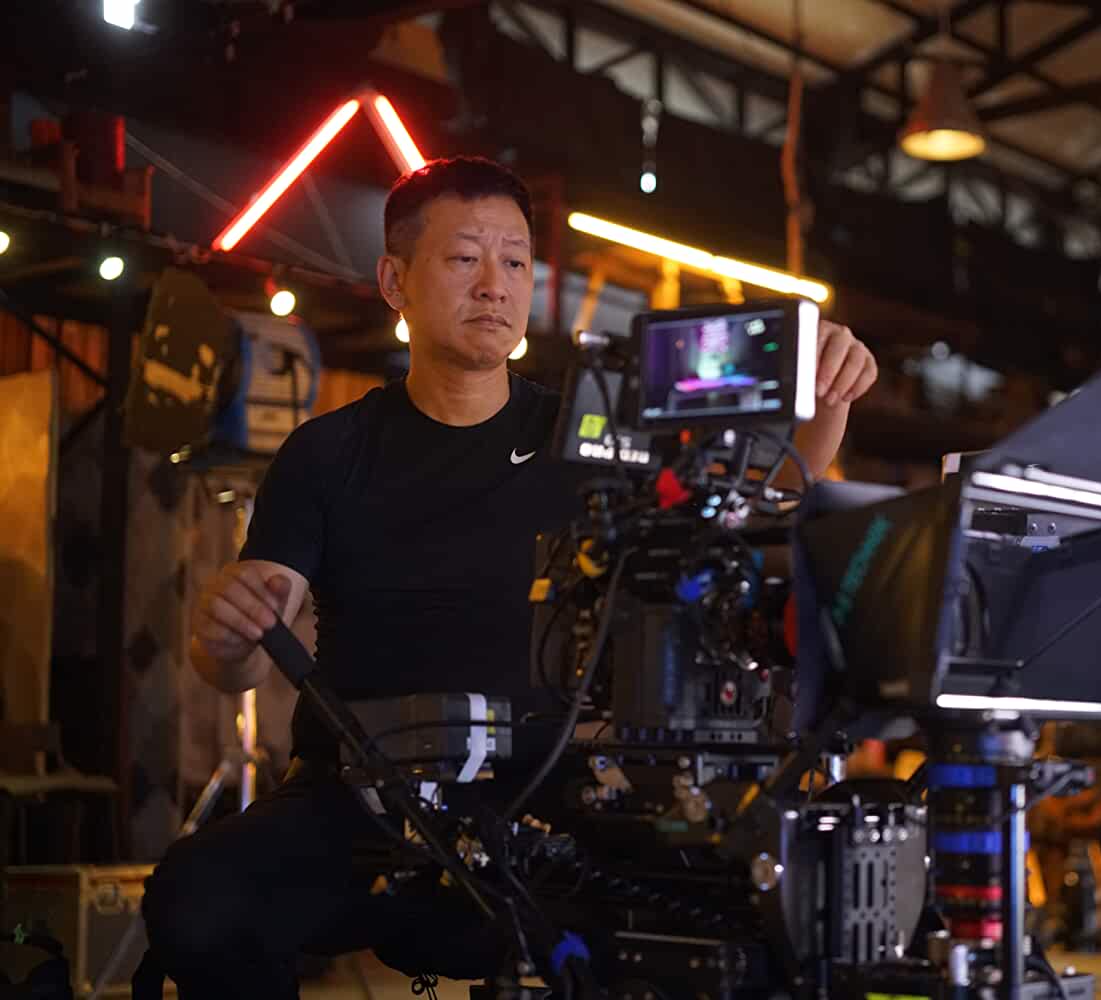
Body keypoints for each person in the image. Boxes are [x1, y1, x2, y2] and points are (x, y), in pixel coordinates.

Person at [141, 156, 878, 998]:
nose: (495, 284)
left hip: (556, 794)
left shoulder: (589, 436)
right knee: (197, 903)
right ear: (394, 280)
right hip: (363, 798)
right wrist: (225, 635)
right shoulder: (327, 453)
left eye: (516, 261)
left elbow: (763, 502)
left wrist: (829, 393)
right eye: (464, 258)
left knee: (754, 920)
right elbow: (239, 653)